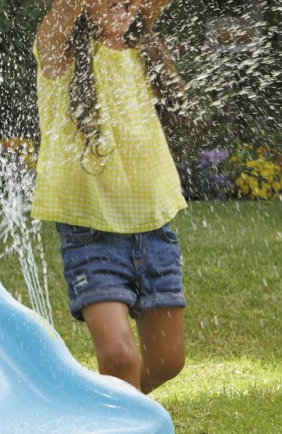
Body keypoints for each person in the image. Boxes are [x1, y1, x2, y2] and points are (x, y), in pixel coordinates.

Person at [33, 0, 188, 393]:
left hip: (155, 230)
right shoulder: (59, 54)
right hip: (92, 235)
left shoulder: (140, 47)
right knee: (120, 359)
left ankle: (107, 413)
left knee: (169, 360)